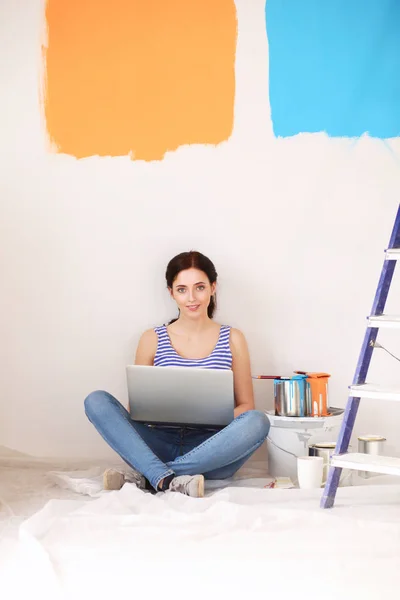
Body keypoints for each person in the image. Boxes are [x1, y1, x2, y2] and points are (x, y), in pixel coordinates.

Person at [84, 251, 270, 498]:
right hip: (158, 442)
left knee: (258, 421)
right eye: (182, 289)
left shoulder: (233, 338)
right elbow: (137, 409)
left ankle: (153, 477)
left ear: (213, 288)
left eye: (200, 287)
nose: (191, 298)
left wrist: (213, 418)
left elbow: (246, 406)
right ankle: (170, 477)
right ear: (171, 292)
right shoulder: (151, 339)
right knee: (96, 400)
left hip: (211, 449)